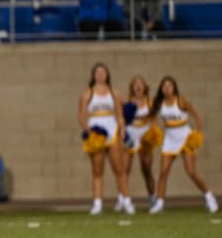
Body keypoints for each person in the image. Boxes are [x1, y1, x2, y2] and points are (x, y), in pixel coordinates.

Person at [148, 76, 219, 214]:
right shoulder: (159, 103)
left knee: (191, 172)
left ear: (174, 87)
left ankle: (209, 197)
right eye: (164, 86)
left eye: (169, 85)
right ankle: (160, 202)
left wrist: (197, 133)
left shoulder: (181, 101)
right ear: (161, 89)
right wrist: (155, 129)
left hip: (185, 137)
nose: (167, 88)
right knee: (163, 172)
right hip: (169, 139)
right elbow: (152, 117)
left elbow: (196, 116)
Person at [78, 63, 135, 215]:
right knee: (97, 170)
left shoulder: (114, 93)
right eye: (97, 72)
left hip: (112, 130)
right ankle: (97, 204)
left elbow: (120, 114)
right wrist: (88, 131)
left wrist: (123, 129)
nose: (100, 75)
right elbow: (82, 116)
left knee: (119, 169)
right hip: (96, 132)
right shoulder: (87, 94)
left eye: (103, 72)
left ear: (107, 75)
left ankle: (127, 201)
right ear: (93, 75)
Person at [119, 76, 159, 211]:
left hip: (144, 137)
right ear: (132, 87)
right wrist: (123, 133)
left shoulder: (150, 102)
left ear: (145, 87)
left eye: (140, 83)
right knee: (125, 169)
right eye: (135, 84)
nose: (138, 86)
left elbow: (154, 121)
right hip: (130, 135)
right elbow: (122, 119)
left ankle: (153, 198)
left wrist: (151, 135)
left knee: (146, 169)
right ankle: (123, 198)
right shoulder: (127, 102)